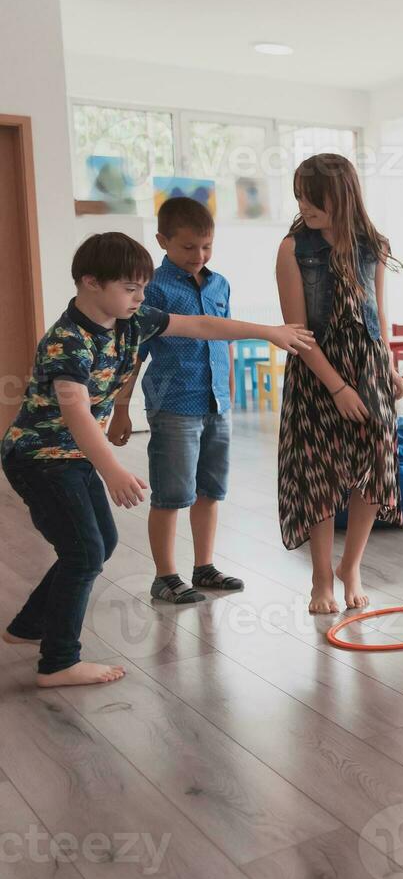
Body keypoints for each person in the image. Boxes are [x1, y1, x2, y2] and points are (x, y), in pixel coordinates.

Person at [3, 232, 311, 687]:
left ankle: (31, 625)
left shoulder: (133, 320)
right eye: (130, 288)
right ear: (90, 282)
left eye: (143, 288)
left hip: (72, 457)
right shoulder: (65, 342)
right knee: (84, 552)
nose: (140, 297)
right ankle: (58, 662)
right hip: (39, 457)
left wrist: (268, 332)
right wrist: (113, 470)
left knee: (98, 546)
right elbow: (76, 413)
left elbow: (202, 326)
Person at [274, 153, 403, 614]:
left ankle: (351, 566)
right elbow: (297, 332)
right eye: (299, 197)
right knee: (320, 470)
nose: (304, 206)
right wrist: (337, 387)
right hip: (318, 371)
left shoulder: (374, 244)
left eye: (314, 198)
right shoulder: (293, 248)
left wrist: (390, 368)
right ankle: (320, 577)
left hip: (369, 365)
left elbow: (379, 314)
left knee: (376, 461)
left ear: (342, 196)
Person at [110, 197, 244, 604]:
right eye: (188, 247)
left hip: (217, 404)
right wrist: (120, 411)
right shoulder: (154, 290)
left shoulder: (219, 284)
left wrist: (230, 387)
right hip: (173, 406)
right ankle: (165, 576)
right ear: (162, 241)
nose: (198, 255)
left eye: (206, 246)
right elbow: (135, 354)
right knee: (172, 494)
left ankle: (203, 567)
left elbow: (224, 335)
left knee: (210, 490)